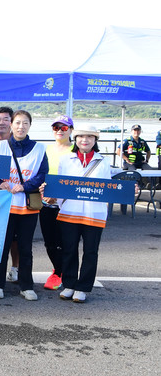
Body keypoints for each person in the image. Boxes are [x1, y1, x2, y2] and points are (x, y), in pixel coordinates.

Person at [0, 110, 48, 301]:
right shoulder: (0, 146)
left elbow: (42, 174)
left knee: (25, 248)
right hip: (4, 206)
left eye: (25, 123)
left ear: (30, 126)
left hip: (27, 207)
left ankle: (26, 285)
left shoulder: (39, 149)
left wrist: (24, 186)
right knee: (2, 246)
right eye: (17, 123)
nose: (20, 127)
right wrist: (0, 183)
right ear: (11, 125)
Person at [56, 125, 113, 303]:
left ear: (95, 140)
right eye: (81, 136)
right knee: (69, 249)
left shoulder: (103, 161)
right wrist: (60, 203)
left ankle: (83, 287)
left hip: (94, 213)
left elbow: (109, 188)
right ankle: (69, 284)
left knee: (90, 251)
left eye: (90, 137)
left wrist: (128, 190)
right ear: (75, 139)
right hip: (70, 212)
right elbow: (60, 185)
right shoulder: (66, 159)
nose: (85, 140)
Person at [39, 115, 74, 291]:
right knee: (50, 242)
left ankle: (62, 272)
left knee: (66, 242)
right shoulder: (46, 150)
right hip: (46, 203)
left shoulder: (76, 151)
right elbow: (39, 174)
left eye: (64, 128)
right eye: (56, 127)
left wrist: (59, 195)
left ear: (71, 130)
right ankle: (58, 269)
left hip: (68, 204)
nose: (60, 131)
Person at [0, 106, 19, 281]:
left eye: (6, 119)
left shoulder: (19, 143)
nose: (1, 123)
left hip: (17, 198)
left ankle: (15, 268)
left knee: (15, 239)